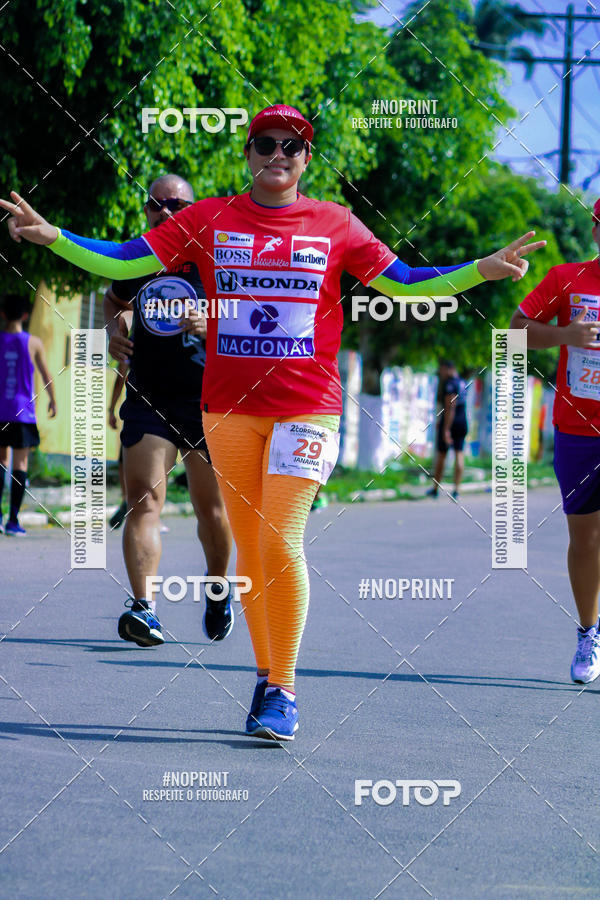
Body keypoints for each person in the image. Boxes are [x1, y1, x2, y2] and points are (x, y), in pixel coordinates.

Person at [1, 103, 545, 739]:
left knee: (282, 538)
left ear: (306, 158)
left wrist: (483, 269)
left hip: (308, 407)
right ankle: (266, 678)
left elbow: (402, 283)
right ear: (249, 153)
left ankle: (282, 688)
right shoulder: (208, 219)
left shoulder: (335, 223)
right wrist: (54, 237)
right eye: (265, 143)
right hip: (227, 411)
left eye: (293, 145)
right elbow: (124, 262)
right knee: (256, 548)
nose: (278, 155)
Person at [102, 173, 234, 647]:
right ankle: (144, 608)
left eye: (178, 204)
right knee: (143, 500)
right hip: (148, 398)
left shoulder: (216, 261)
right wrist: (114, 329)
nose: (167, 212)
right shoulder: (138, 257)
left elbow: (255, 318)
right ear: (147, 210)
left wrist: (213, 323)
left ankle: (218, 591)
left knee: (211, 511)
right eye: (157, 204)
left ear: (194, 210)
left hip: (208, 402)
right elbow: (114, 300)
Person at [510, 198, 600, 684]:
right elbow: (516, 332)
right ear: (595, 230)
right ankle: (589, 631)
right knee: (584, 538)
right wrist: (566, 334)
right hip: (579, 428)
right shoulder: (567, 278)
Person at [0, 293, 56, 535]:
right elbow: (46, 375)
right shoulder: (34, 343)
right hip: (23, 413)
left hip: (1, 411)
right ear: (25, 315)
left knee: (1, 461)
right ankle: (13, 520)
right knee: (20, 464)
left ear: (3, 314)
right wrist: (54, 400)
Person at [426, 360, 469, 500]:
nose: (441, 374)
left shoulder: (450, 383)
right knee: (459, 453)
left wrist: (446, 429)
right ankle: (457, 489)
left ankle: (435, 488)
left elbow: (450, 406)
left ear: (448, 368)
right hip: (463, 421)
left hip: (451, 422)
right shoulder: (462, 382)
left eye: (442, 370)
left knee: (442, 455)